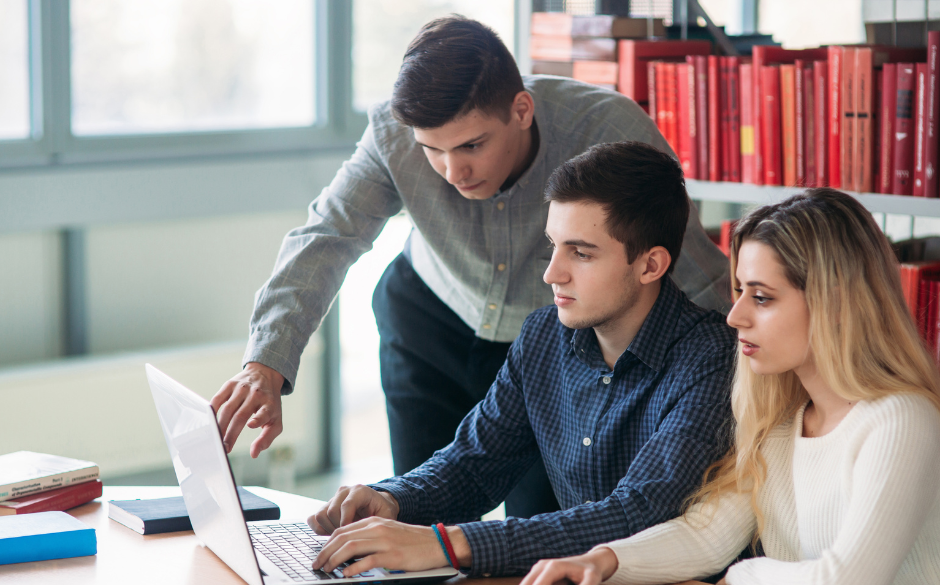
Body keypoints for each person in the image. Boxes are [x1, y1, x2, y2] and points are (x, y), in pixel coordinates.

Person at [209, 16, 730, 519]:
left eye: (472, 145)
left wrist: (750, 378)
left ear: (521, 109)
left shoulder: (607, 129)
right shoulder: (392, 133)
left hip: (548, 346)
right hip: (428, 322)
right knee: (411, 509)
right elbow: (327, 235)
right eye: (432, 151)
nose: (452, 171)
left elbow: (687, 265)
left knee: (539, 527)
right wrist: (266, 364)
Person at [305, 141, 737, 580]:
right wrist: (393, 499)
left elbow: (637, 516)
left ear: (650, 265)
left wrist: (448, 544)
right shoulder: (543, 336)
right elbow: (475, 463)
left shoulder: (713, 359)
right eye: (553, 246)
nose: (553, 273)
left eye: (581, 253)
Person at [518, 188, 940, 585]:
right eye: (738, 292)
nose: (734, 316)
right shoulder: (782, 421)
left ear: (834, 303)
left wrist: (743, 574)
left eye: (761, 298)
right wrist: (600, 561)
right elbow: (706, 535)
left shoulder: (900, 419)